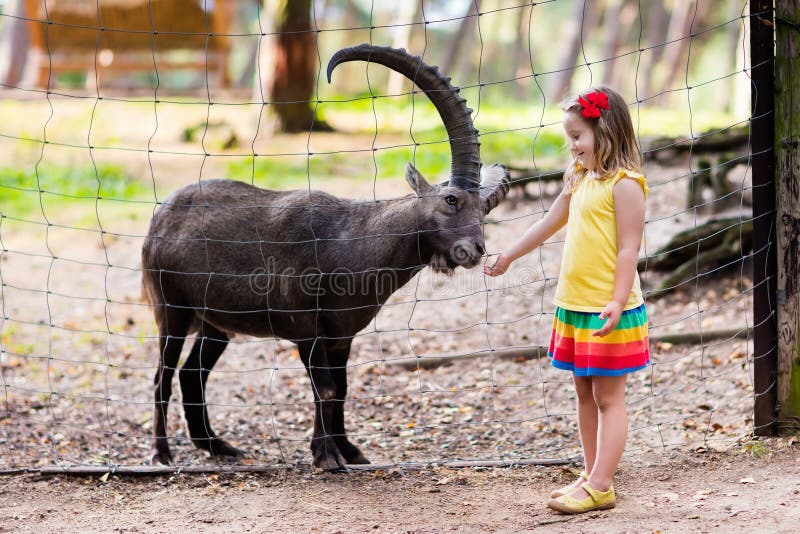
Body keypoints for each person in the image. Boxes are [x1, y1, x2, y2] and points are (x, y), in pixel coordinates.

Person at [484, 86, 649, 514]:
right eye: (568, 137)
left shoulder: (626, 185)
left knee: (610, 398)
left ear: (606, 130)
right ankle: (591, 471)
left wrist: (615, 300)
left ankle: (602, 485)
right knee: (583, 394)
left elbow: (629, 249)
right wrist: (509, 255)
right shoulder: (579, 178)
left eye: (578, 136)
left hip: (609, 309)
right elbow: (548, 223)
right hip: (574, 305)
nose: (571, 145)